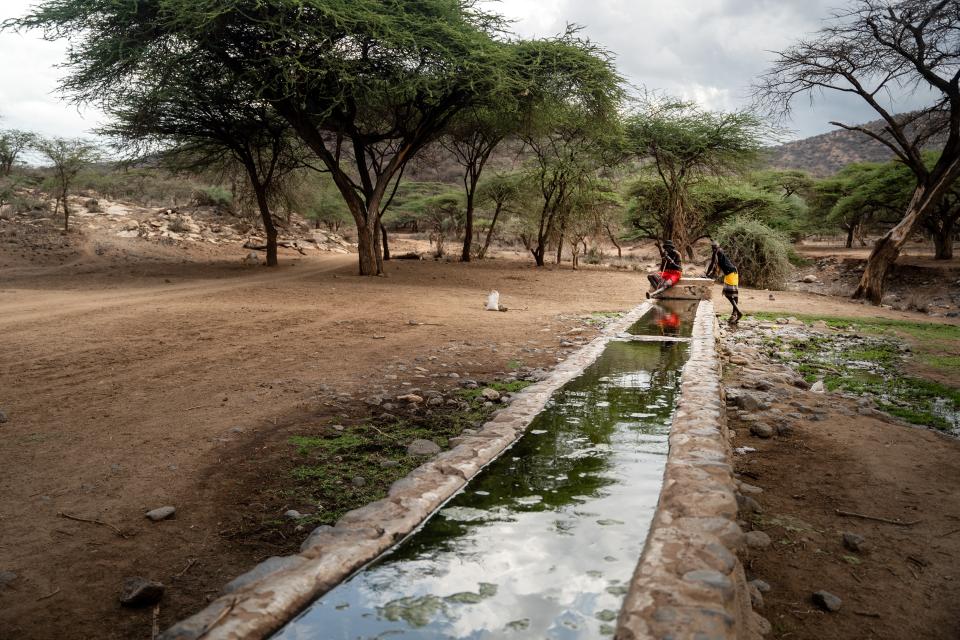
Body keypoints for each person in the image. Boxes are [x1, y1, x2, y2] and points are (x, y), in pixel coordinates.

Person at [705, 240, 742, 324]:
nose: (714, 249)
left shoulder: (718, 252)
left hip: (731, 273)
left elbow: (712, 264)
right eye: (713, 248)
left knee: (728, 294)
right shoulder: (718, 252)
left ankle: (738, 313)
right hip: (732, 273)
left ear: (717, 247)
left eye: (715, 248)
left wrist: (707, 274)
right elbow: (715, 265)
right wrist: (709, 274)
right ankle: (734, 314)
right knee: (733, 295)